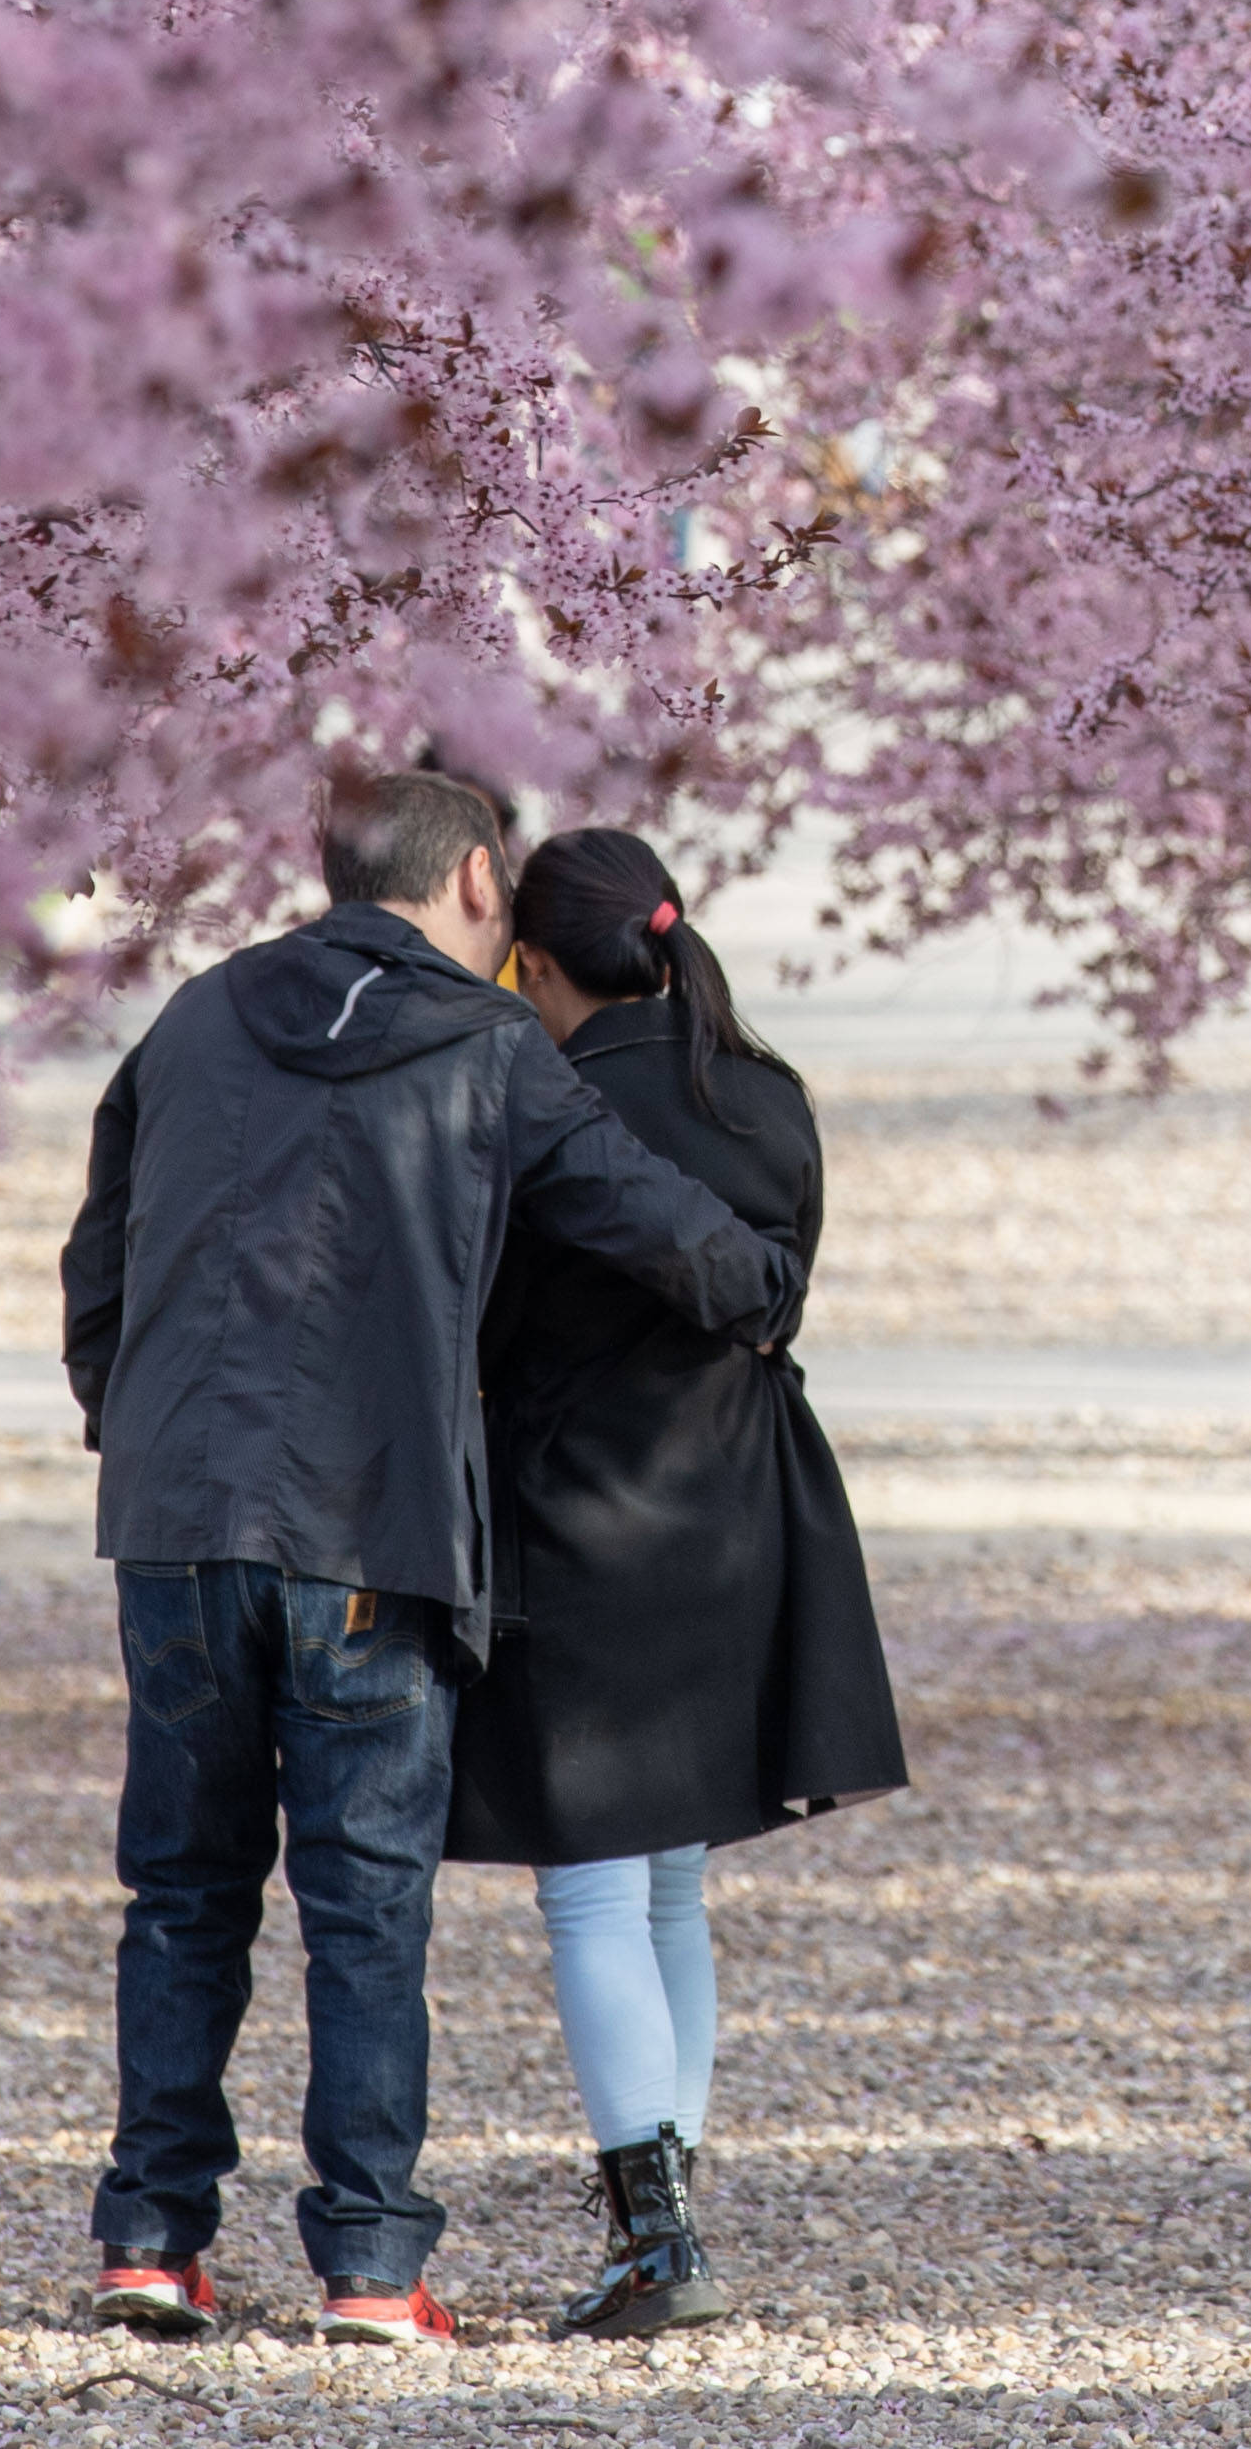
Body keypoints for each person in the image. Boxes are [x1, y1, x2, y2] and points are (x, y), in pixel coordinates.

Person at [58, 771, 800, 2355]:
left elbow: (98, 1248)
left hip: (177, 1517)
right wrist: (759, 1288)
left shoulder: (193, 1016)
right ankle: (371, 2271)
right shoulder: (484, 1051)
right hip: (372, 1528)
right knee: (363, 1902)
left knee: (181, 1889)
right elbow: (650, 1218)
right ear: (474, 877)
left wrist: (122, 1418)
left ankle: (149, 2243)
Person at [445, 825, 905, 2339]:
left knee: (589, 1891)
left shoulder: (538, 1101)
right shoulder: (760, 1090)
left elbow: (485, 1326)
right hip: (738, 1515)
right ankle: (668, 2212)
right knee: (671, 1886)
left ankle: (658, 2243)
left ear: (535, 959)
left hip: (577, 1512)